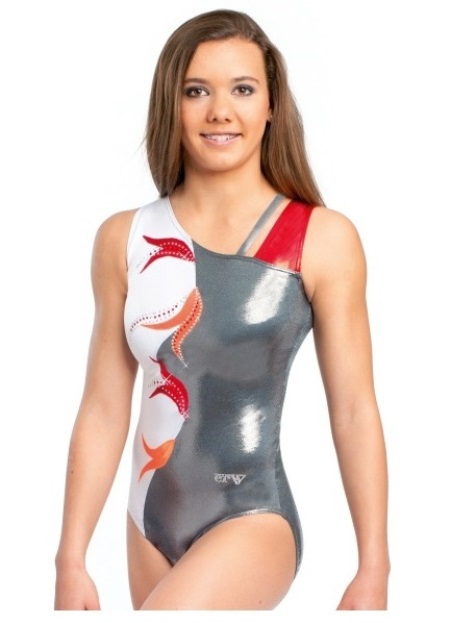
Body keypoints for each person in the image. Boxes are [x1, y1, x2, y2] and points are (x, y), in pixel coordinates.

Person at [54, 9, 390, 611]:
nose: (219, 111)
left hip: (253, 515)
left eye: (242, 89)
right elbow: (103, 409)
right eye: (196, 91)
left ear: (271, 105)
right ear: (171, 103)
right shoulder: (125, 239)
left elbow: (354, 411)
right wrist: (70, 557)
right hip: (147, 521)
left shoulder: (319, 239)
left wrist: (374, 566)